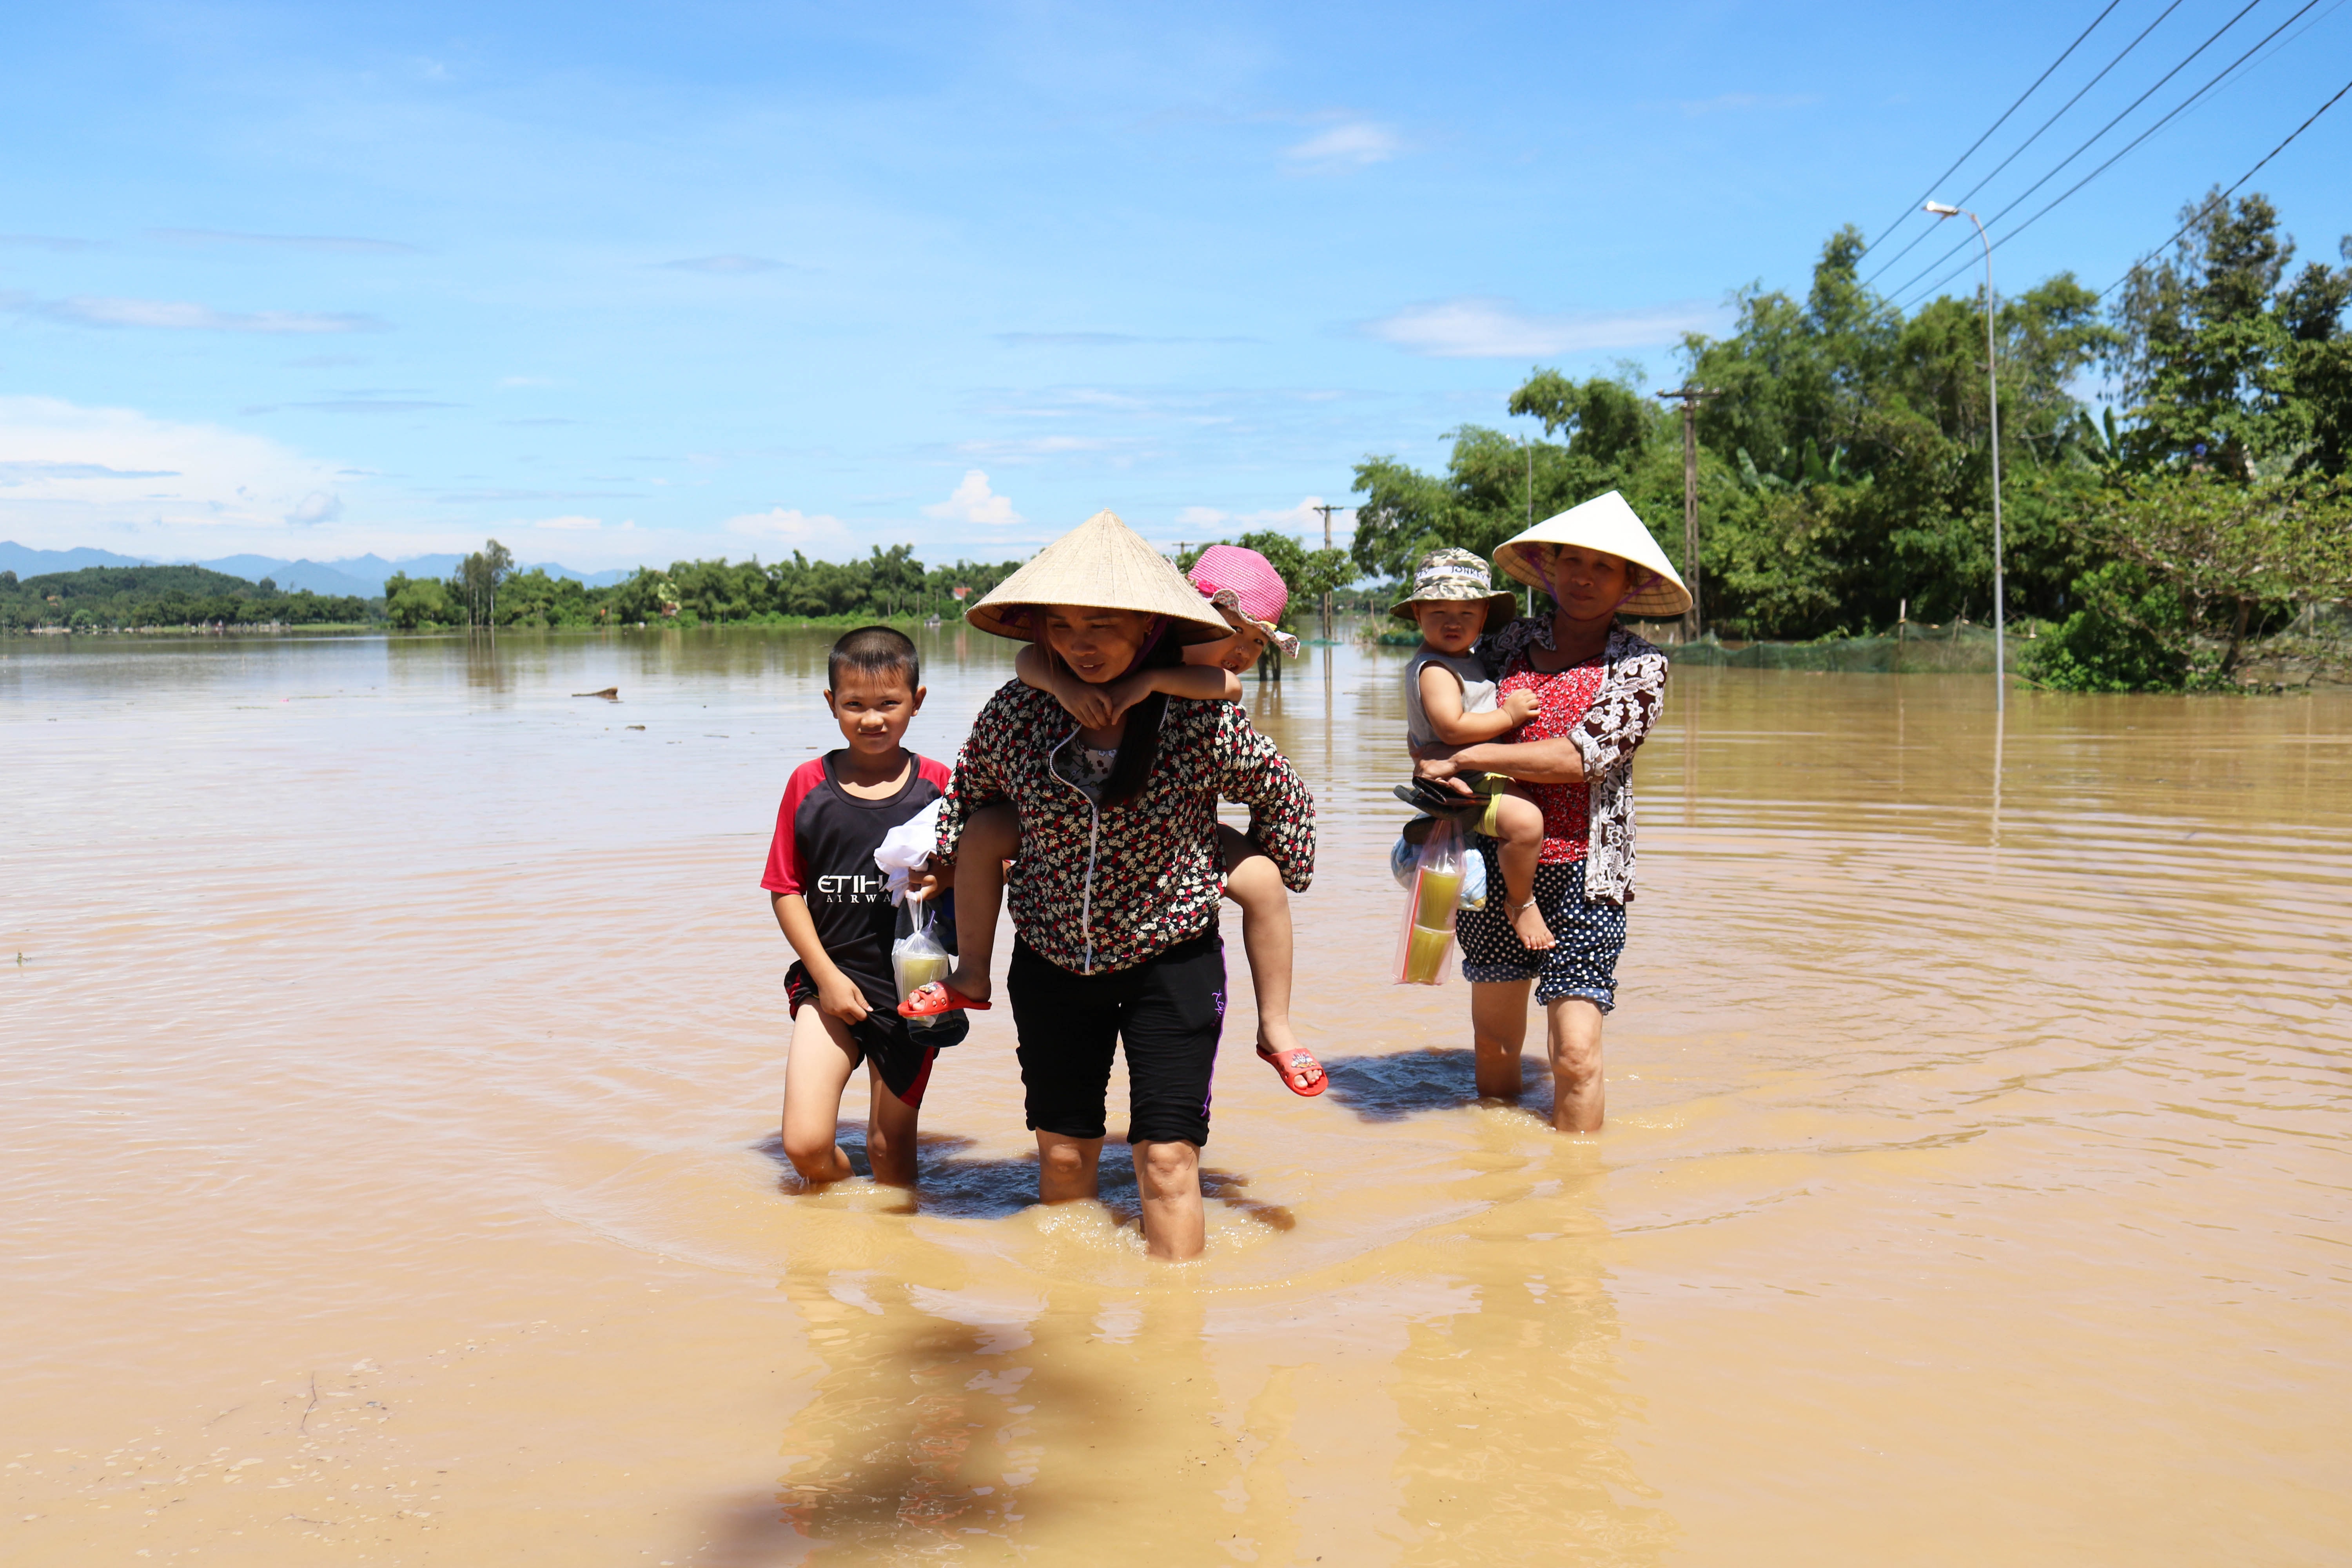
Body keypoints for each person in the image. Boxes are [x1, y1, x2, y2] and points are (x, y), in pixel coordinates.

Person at [911, 510, 1316, 1261]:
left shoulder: (1202, 722)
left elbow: (1285, 795)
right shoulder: (1021, 710)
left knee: (1166, 1164)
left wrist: (1261, 864)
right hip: (1054, 960)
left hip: (1173, 963)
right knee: (1064, 1161)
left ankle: (1175, 1354)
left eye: (1102, 623)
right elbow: (970, 796)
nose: (1079, 642)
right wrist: (945, 857)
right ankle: (1070, 1336)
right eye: (1062, 626)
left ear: (1149, 629)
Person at [927, 543, 1325, 1096]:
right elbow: (1025, 670)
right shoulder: (1028, 701)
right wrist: (1066, 686)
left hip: (1174, 849)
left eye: (1254, 643)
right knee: (984, 828)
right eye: (1228, 632)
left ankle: (1275, 1025)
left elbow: (1279, 786)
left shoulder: (1206, 711)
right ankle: (973, 971)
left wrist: (1147, 685)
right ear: (1184, 621)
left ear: (1146, 628)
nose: (1237, 652)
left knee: (1262, 879)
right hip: (1059, 858)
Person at [1412, 492, 1686, 1134]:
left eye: (1604, 568)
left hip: (1589, 874)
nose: (1585, 579)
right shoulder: (1510, 642)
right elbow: (1442, 683)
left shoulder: (1642, 665)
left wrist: (1471, 752)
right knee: (1495, 1048)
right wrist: (1426, 746)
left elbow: (1581, 760)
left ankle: (1577, 1208)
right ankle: (1500, 1184)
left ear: (1628, 585)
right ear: (1551, 570)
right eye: (1573, 563)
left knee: (1576, 1056)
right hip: (1494, 858)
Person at [760, 625, 968, 1187]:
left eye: (888, 704)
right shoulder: (808, 785)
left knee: (889, 1148)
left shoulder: (940, 786)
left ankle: (890, 1265)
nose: (871, 719)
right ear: (831, 704)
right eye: (854, 705)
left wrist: (946, 874)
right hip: (830, 987)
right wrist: (824, 977)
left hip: (913, 992)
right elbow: (785, 890)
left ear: (916, 703)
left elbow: (989, 868)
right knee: (804, 1147)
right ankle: (838, 1212)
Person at [1388, 548, 1555, 953]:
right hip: (1466, 781)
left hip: (1476, 772)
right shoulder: (1436, 669)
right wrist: (1510, 716)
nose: (1453, 622)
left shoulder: (1469, 660)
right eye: (1439, 612)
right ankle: (1521, 903)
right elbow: (1452, 726)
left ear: (1483, 617)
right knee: (1528, 824)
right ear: (1418, 615)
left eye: (1466, 613)